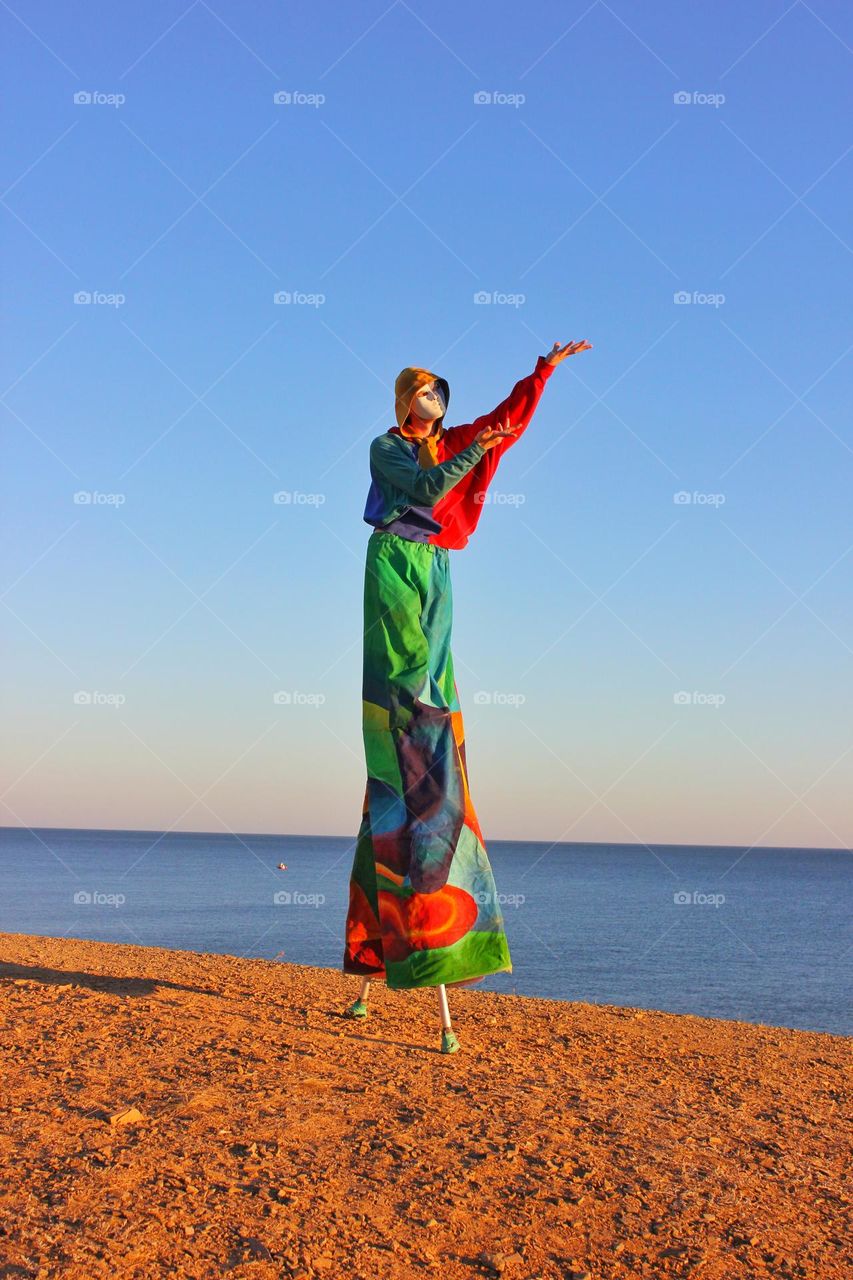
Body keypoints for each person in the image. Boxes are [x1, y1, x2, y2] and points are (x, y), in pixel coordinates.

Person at [342, 338, 592, 1053]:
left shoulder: (450, 438)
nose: (435, 404)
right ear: (401, 400)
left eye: (439, 396)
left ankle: (375, 953)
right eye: (424, 393)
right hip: (395, 556)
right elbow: (424, 492)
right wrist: (469, 449)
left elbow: (503, 424)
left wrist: (539, 375)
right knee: (409, 713)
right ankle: (419, 941)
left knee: (436, 719)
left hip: (436, 565)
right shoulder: (386, 448)